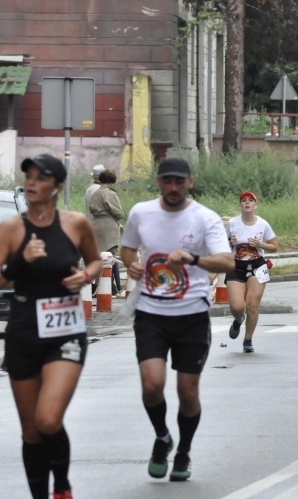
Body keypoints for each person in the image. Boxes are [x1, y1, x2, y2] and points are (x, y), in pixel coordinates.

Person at [120, 157, 234, 483]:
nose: (173, 188)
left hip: (192, 315)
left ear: (190, 182)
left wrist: (193, 257)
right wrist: (132, 264)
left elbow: (226, 261)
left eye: (179, 182)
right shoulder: (141, 212)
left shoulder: (204, 218)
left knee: (187, 391)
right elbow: (127, 248)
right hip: (150, 313)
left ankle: (183, 450)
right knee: (152, 384)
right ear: (158, 182)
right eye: (167, 181)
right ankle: (162, 437)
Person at [0, 153, 103, 499]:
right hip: (24, 330)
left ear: (57, 187)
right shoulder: (11, 228)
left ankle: (62, 485)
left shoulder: (75, 224)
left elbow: (94, 260)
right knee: (30, 430)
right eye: (28, 176)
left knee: (47, 419)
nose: (31, 183)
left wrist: (86, 275)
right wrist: (20, 260)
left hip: (65, 331)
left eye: (40, 178)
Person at [225, 191, 278, 353]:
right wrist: (229, 242)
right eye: (244, 201)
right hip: (236, 266)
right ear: (240, 204)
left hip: (257, 266)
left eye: (250, 201)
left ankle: (248, 340)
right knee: (237, 306)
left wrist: (260, 245)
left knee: (253, 305)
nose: (247, 203)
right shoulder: (232, 224)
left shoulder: (263, 224)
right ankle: (238, 319)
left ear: (256, 205)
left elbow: (274, 247)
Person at [88, 169, 126, 298]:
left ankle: (98, 286)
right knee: (109, 258)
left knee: (99, 257)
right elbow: (118, 213)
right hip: (108, 225)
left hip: (96, 224)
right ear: (112, 181)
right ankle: (109, 288)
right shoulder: (109, 194)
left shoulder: (95, 193)